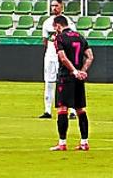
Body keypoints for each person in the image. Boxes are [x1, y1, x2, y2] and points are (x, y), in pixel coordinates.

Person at [51, 15, 93, 151]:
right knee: (80, 109)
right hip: (79, 78)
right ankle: (84, 142)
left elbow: (62, 58)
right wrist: (83, 71)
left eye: (55, 27)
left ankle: (62, 143)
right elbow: (90, 56)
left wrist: (74, 71)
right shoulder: (80, 37)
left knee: (62, 108)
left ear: (58, 26)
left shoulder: (60, 38)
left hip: (66, 76)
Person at [41, 0, 76, 119]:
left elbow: (73, 38)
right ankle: (47, 110)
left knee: (68, 81)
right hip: (50, 56)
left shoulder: (68, 22)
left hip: (64, 57)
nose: (53, 8)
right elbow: (45, 40)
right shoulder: (47, 22)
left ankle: (72, 110)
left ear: (62, 7)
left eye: (56, 5)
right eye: (52, 6)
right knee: (49, 82)